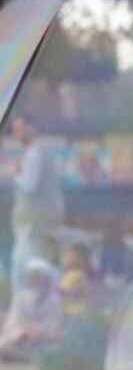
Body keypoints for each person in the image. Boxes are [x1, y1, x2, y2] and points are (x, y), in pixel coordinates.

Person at [7, 113, 64, 303]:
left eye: (19, 129)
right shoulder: (38, 153)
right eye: (14, 130)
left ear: (31, 128)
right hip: (37, 227)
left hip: (33, 228)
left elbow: (29, 186)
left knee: (25, 275)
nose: (16, 134)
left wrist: (16, 173)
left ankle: (23, 318)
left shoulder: (34, 153)